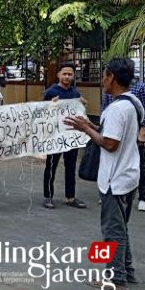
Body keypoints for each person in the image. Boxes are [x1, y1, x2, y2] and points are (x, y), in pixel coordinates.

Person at [65, 58, 144, 290]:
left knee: (112, 230)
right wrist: (92, 125)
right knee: (120, 227)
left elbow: (110, 143)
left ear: (112, 77)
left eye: (104, 76)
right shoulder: (133, 103)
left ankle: (115, 278)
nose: (102, 81)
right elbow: (112, 134)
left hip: (115, 178)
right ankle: (125, 271)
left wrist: (86, 129)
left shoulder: (118, 108)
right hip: (128, 174)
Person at [101, 79, 145, 212]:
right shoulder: (109, 89)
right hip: (112, 131)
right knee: (111, 164)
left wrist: (142, 132)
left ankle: (144, 198)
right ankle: (109, 191)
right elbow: (104, 108)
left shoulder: (141, 87)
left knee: (140, 165)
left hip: (132, 134)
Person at [42, 64, 87, 210]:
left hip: (70, 136)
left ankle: (70, 197)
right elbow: (41, 112)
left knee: (71, 166)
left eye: (70, 74)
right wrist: (50, 105)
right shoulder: (51, 92)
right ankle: (48, 196)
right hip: (55, 135)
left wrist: (83, 105)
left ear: (74, 76)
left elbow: (80, 114)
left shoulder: (75, 93)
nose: (67, 77)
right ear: (59, 75)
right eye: (65, 74)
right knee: (51, 166)